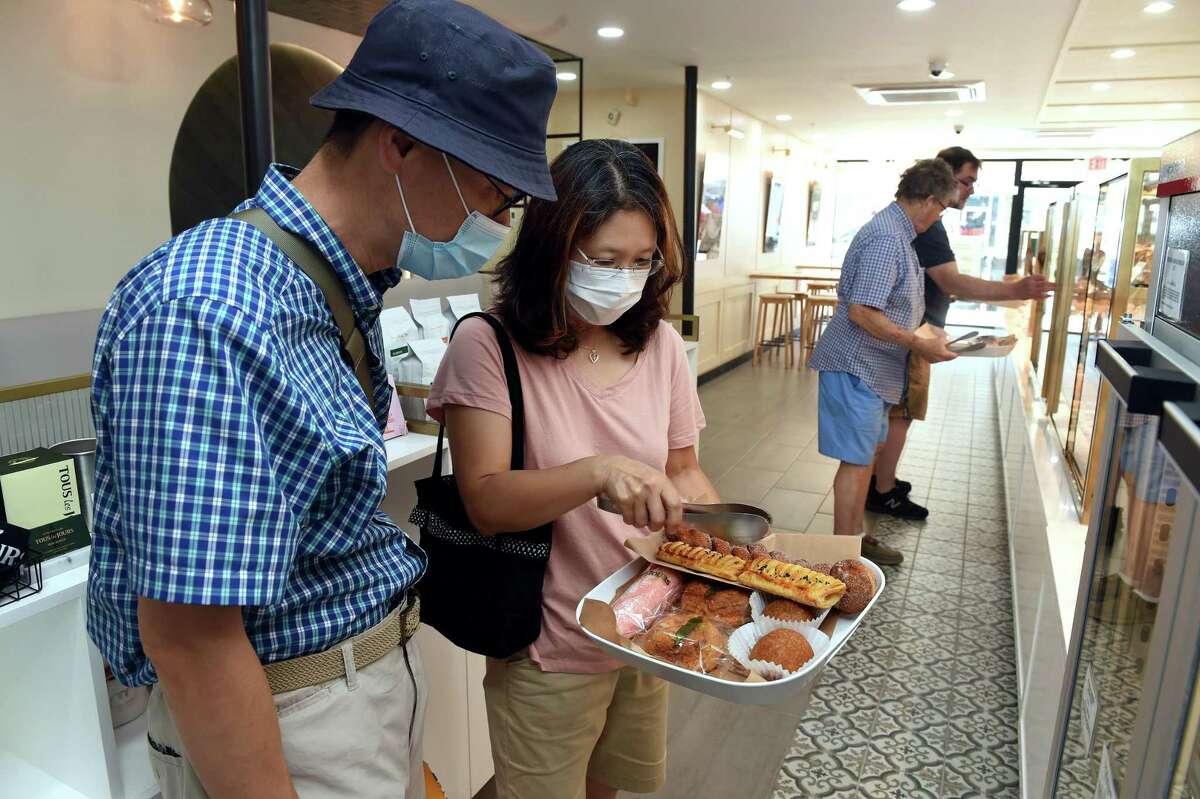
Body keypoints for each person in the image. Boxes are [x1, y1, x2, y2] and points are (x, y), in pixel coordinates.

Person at [85, 2, 557, 797]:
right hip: (290, 719)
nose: (498, 222)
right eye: (493, 193)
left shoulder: (334, 286)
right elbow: (192, 639)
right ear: (400, 142)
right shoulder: (211, 309)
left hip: (357, 693)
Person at [426, 139, 715, 799]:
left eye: (642, 261)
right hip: (548, 641)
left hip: (644, 621)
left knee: (606, 787)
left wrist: (737, 548)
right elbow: (487, 500)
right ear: (553, 247)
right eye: (606, 260)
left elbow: (685, 471)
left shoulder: (660, 344)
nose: (626, 276)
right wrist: (598, 471)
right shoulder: (487, 344)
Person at [868, 147, 1052, 519]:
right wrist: (1014, 291)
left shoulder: (923, 225)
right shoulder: (916, 229)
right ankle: (881, 489)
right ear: (939, 185)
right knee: (902, 412)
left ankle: (881, 480)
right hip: (913, 332)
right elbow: (950, 281)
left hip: (917, 329)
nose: (969, 191)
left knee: (900, 411)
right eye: (965, 182)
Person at [808, 159, 961, 566]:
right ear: (928, 200)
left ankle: (855, 540)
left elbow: (893, 304)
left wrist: (929, 333)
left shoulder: (899, 234)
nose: (941, 214)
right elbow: (862, 311)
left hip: (874, 371)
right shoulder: (886, 239)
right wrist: (917, 342)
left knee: (866, 457)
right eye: (943, 206)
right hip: (856, 365)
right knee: (857, 463)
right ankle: (845, 555)